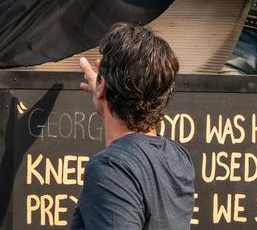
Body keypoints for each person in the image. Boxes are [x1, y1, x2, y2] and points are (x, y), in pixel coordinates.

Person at [72, 23, 194, 229]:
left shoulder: (111, 168)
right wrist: (104, 91)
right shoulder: (178, 157)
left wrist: (105, 92)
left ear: (102, 87)